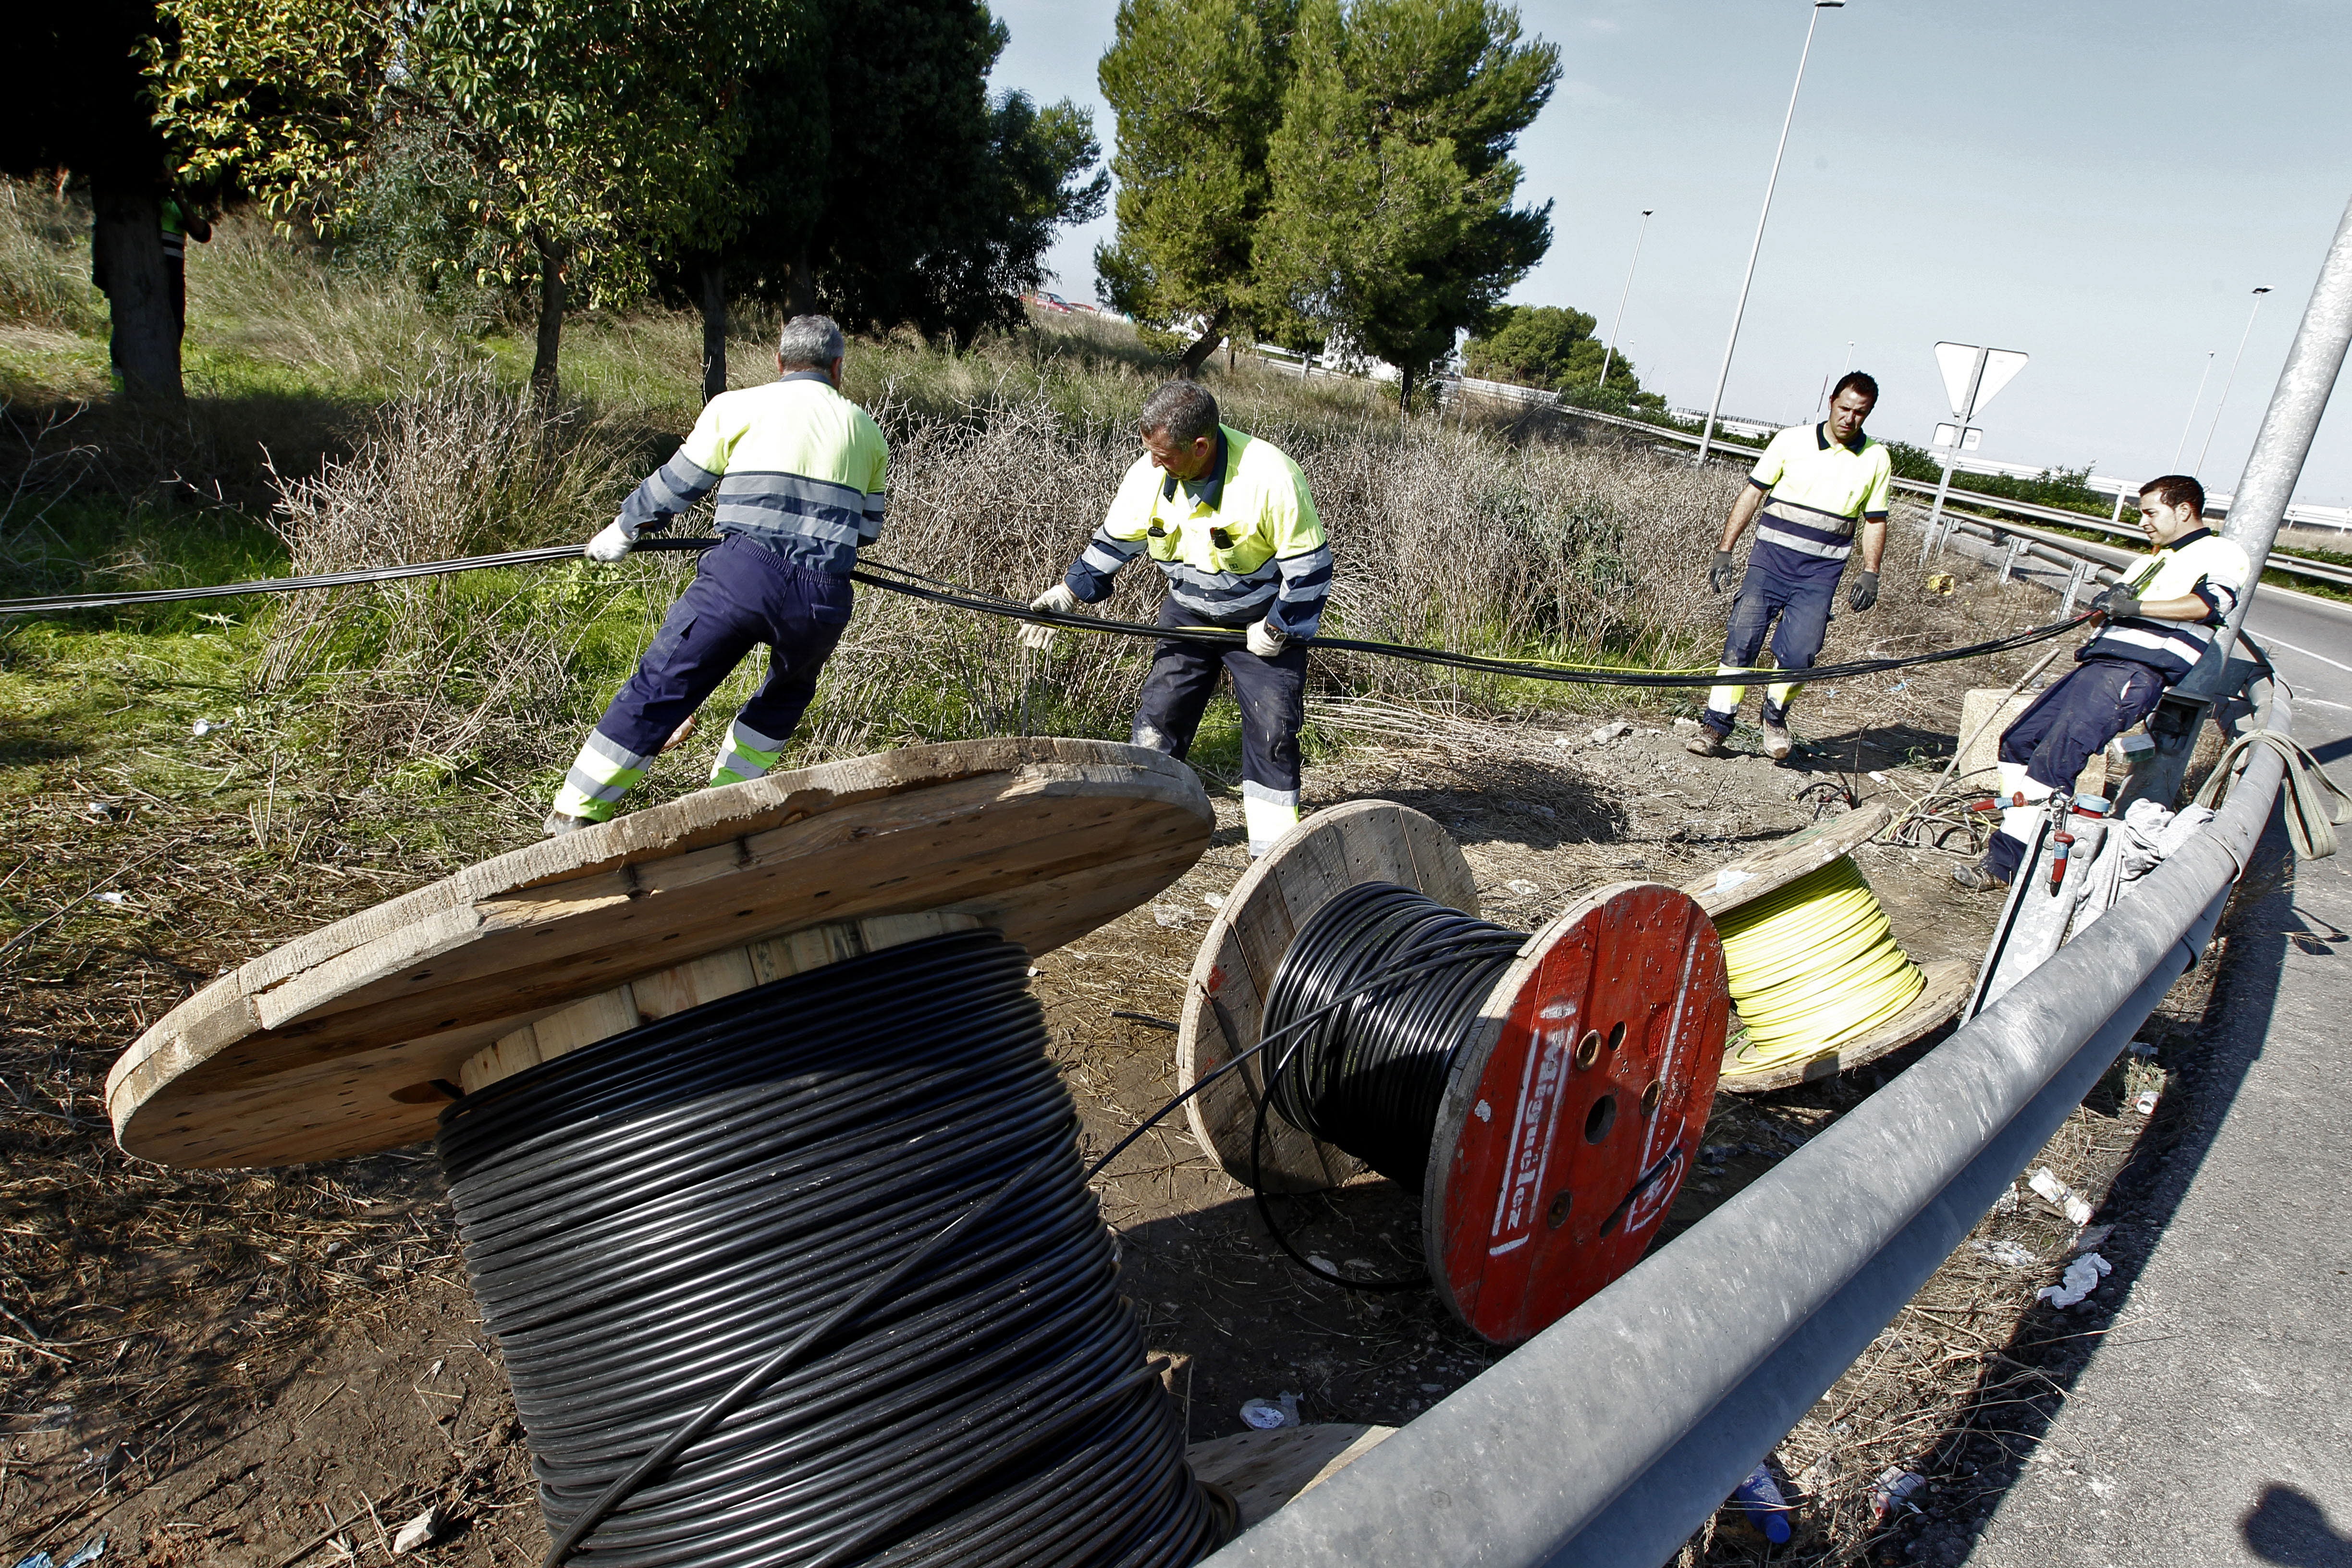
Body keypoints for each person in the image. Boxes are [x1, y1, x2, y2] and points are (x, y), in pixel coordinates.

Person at [544, 315, 887, 834]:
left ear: (779, 363)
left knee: (662, 685)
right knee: (786, 695)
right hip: (823, 598)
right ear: (838, 367)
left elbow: (677, 484)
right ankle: (727, 808)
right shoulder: (868, 430)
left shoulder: (736, 407)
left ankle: (576, 814)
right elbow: (867, 532)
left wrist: (624, 528)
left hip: (741, 575)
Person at [1024, 380, 1332, 858]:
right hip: (1187, 616)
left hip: (1261, 625)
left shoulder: (1271, 477)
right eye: (1149, 451)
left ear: (1202, 446)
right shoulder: (1148, 475)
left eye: (1163, 454)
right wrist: (1069, 592)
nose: (1153, 463)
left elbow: (1309, 570)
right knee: (1156, 722)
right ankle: (1142, 837)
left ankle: (1271, 858)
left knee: (1273, 736)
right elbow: (1115, 543)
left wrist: (1279, 628)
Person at [1956, 474, 2249, 892]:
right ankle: (2024, 840)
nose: (2144, 522)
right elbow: (2115, 611)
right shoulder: (2152, 558)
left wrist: (2133, 604)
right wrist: (2103, 611)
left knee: (2056, 760)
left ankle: (2007, 866)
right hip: (2098, 665)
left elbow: (2205, 606)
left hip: (2134, 671)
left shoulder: (2220, 553)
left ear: (2184, 510)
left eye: (2152, 513)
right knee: (2019, 741)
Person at [1689, 372, 1893, 761]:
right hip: (1769, 564)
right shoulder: (1791, 441)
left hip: (1819, 576)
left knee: (1800, 655)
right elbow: (1753, 493)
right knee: (1741, 643)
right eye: (1845, 408)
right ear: (1831, 401)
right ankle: (1715, 726)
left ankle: (1774, 716)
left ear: (1868, 415)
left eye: (1860, 413)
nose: (1850, 419)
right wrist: (1725, 549)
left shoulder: (1877, 458)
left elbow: (1875, 519)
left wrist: (1871, 570)